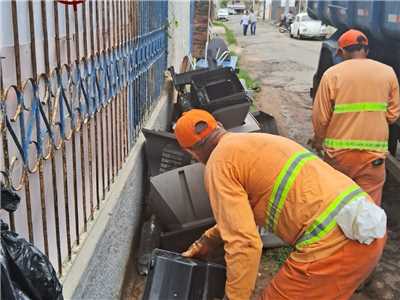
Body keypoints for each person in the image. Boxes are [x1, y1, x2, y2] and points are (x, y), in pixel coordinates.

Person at [174, 109, 386, 300]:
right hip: (366, 226)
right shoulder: (259, 142)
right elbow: (238, 219)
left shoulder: (219, 165)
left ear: (191, 152)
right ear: (219, 125)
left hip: (332, 247)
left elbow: (245, 243)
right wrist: (207, 241)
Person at [311, 29, 400, 206]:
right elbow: (393, 115)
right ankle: (370, 235)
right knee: (370, 210)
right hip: (373, 158)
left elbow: (320, 118)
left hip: (339, 156)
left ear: (342, 51)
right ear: (366, 51)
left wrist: (318, 140)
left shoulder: (332, 75)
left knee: (337, 204)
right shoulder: (388, 73)